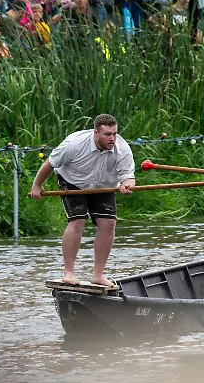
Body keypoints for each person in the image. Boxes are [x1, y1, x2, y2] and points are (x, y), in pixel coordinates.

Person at [28, 114, 135, 288]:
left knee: (108, 224)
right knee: (77, 221)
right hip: (72, 181)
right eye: (107, 134)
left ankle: (98, 275)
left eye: (114, 134)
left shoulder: (122, 149)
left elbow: (128, 176)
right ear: (96, 133)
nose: (112, 138)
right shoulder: (74, 144)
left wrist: (127, 185)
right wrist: (37, 185)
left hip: (104, 185)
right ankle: (69, 272)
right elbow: (50, 163)